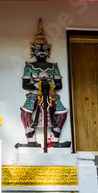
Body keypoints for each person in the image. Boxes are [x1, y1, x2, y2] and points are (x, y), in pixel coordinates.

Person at [19, 19, 70, 147]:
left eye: (44, 49)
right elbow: (25, 84)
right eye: (38, 48)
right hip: (36, 92)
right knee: (25, 112)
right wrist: (38, 85)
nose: (41, 51)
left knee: (62, 113)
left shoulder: (53, 67)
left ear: (49, 49)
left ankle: (54, 139)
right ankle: (31, 138)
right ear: (32, 49)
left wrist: (51, 86)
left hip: (51, 93)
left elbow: (59, 85)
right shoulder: (30, 66)